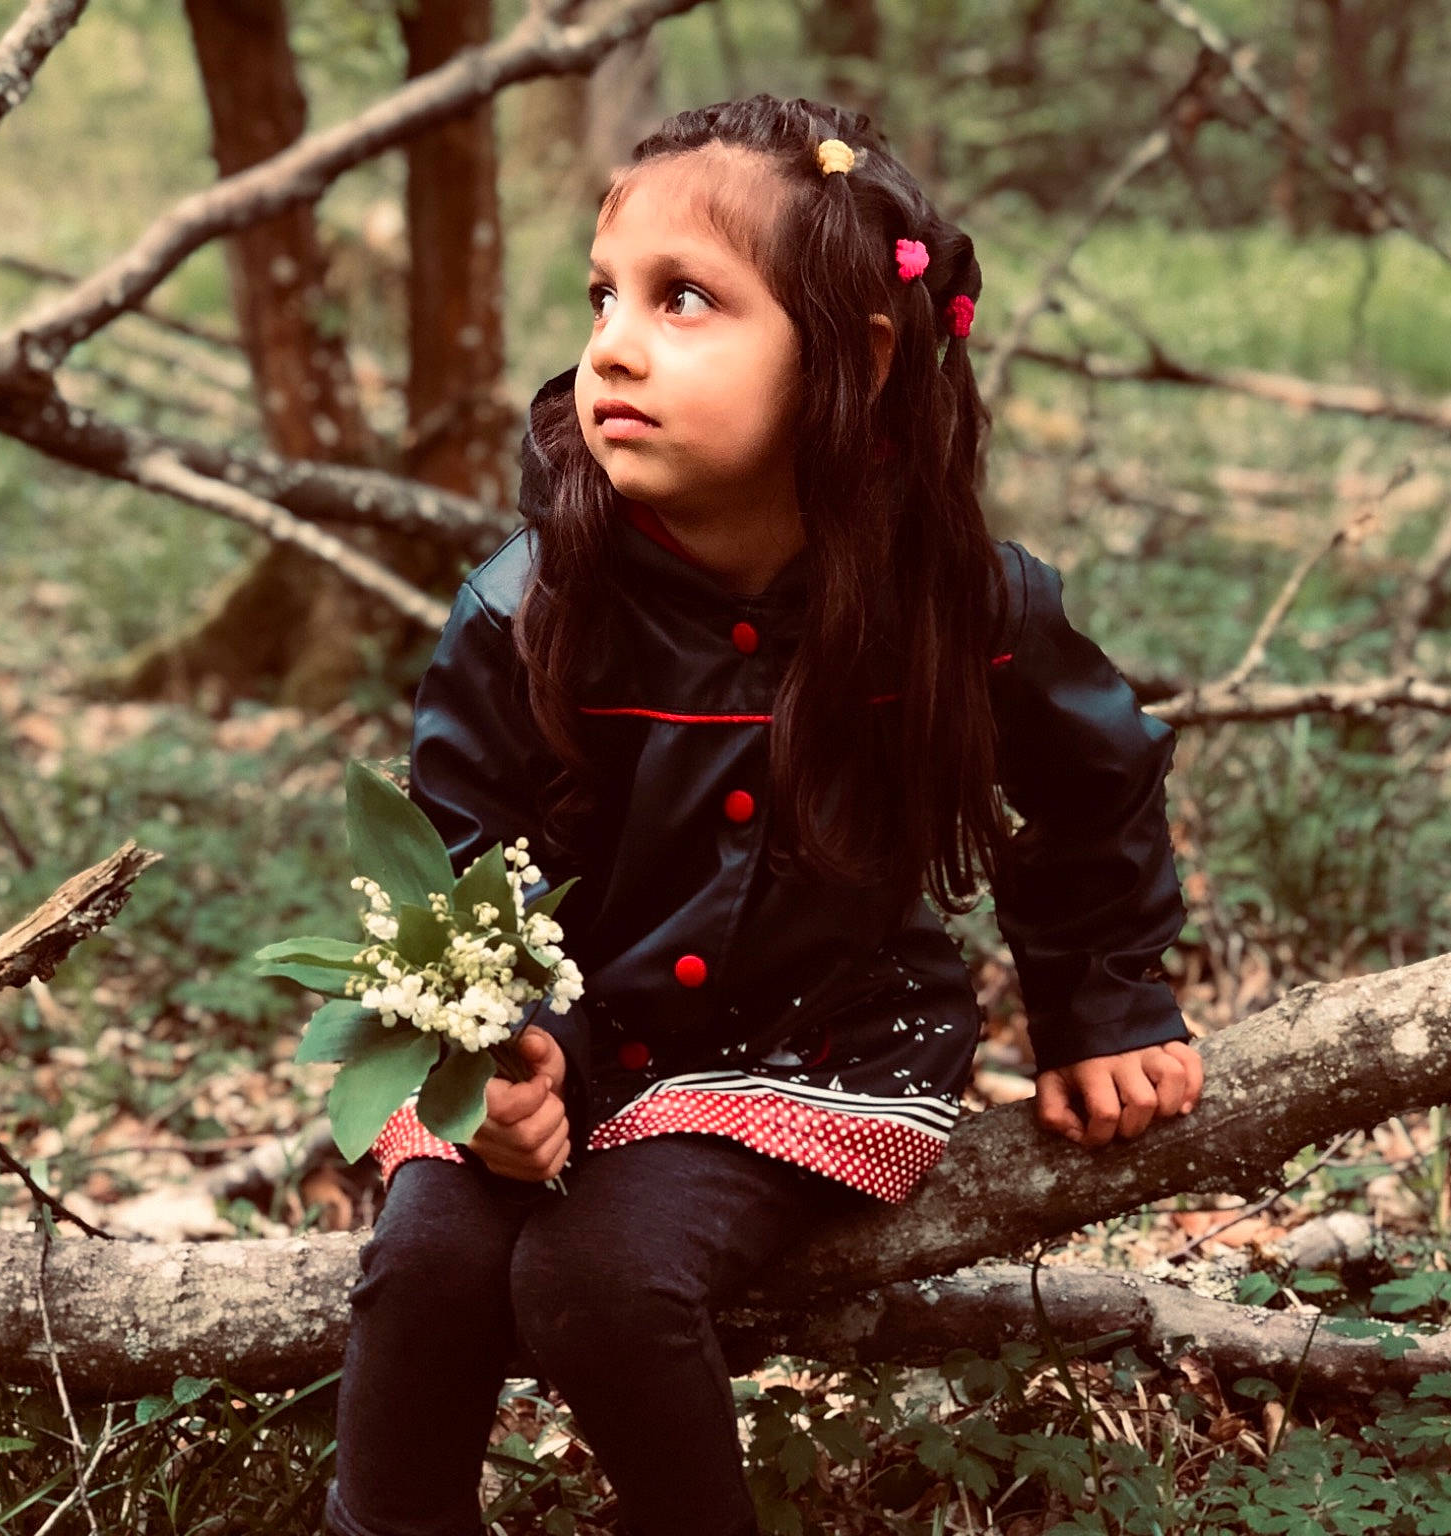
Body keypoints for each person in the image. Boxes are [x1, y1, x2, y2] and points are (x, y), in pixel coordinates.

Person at [324, 94, 1205, 1536]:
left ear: (852, 353)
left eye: (686, 301)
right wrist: (495, 1057)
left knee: (595, 1279)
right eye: (605, 295)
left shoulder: (955, 603)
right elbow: (455, 852)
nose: (612, 342)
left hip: (816, 1045)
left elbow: (1095, 781)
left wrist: (1104, 1004)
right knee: (430, 1259)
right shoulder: (528, 607)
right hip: (566, 1036)